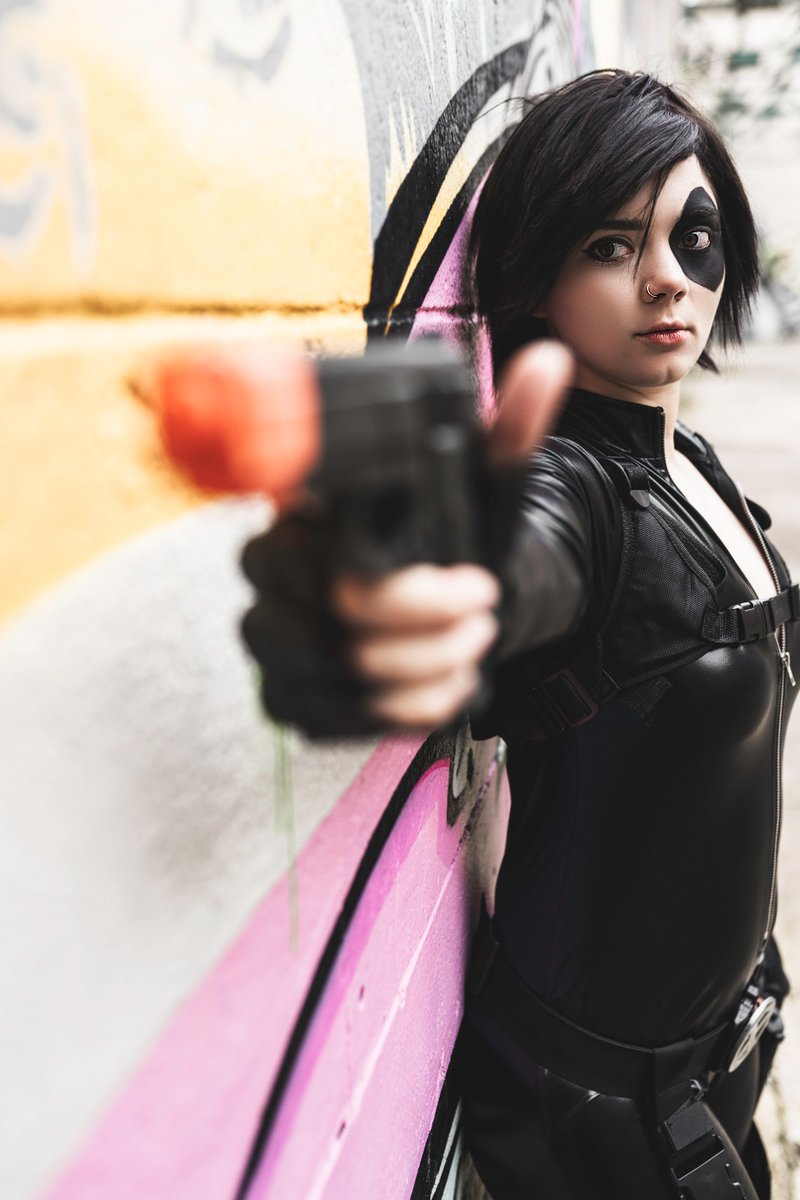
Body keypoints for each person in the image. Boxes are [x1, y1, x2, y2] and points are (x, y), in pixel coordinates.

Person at [241, 71, 798, 1198]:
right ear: (538, 275)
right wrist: (420, 599)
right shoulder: (572, 487)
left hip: (711, 1063)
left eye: (690, 236)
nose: (666, 278)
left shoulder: (686, 460)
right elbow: (520, 564)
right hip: (596, 1117)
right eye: (609, 245)